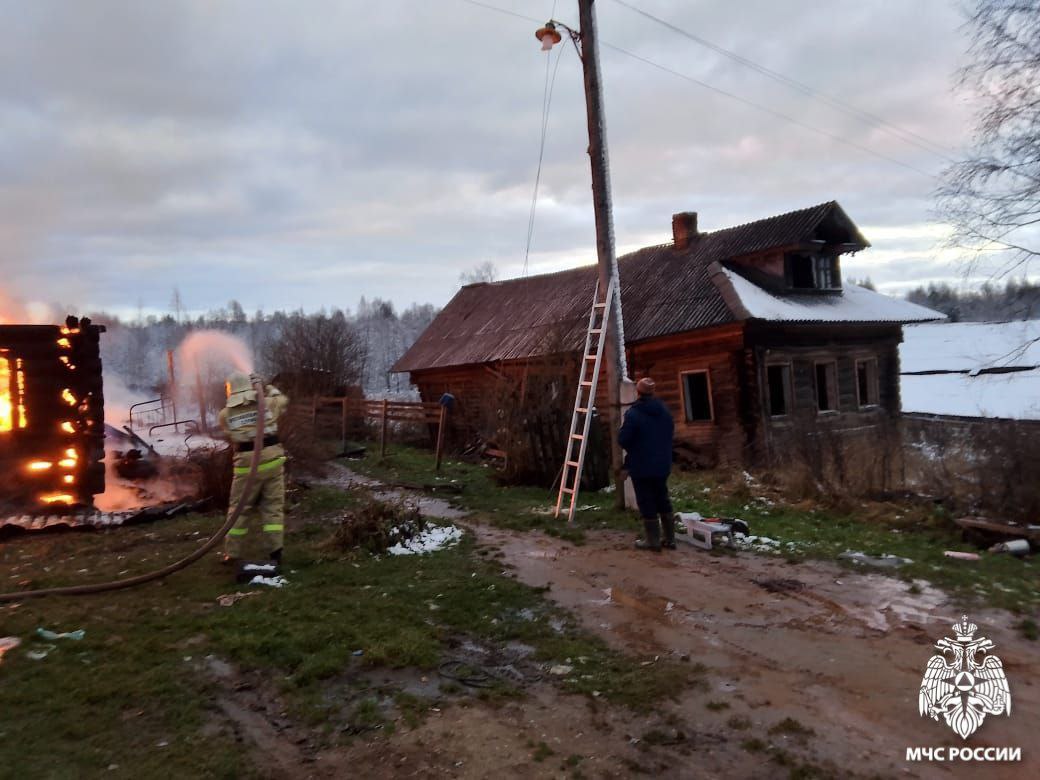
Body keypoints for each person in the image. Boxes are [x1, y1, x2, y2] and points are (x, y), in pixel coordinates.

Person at [219, 372, 289, 568]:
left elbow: (229, 433)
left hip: (245, 469)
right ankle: (276, 551)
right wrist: (267, 387)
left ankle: (232, 553)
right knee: (273, 509)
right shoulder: (266, 404)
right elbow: (282, 401)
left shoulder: (225, 414)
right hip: (273, 465)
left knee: (238, 510)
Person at [618, 377, 676, 551]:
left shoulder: (634, 414)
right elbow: (670, 432)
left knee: (646, 501)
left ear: (638, 392)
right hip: (662, 463)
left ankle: (653, 541)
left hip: (641, 464)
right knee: (662, 498)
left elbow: (623, 439)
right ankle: (670, 539)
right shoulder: (664, 411)